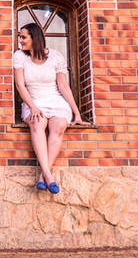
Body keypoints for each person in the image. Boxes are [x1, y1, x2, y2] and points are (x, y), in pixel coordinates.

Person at [13, 22, 87, 193]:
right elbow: (20, 86)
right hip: (33, 101)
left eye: (23, 37)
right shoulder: (19, 56)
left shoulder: (55, 56)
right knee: (37, 123)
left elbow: (63, 86)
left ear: (34, 37)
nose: (20, 40)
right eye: (20, 37)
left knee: (59, 126)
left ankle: (42, 176)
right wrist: (33, 107)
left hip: (55, 100)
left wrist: (77, 113)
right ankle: (48, 175)